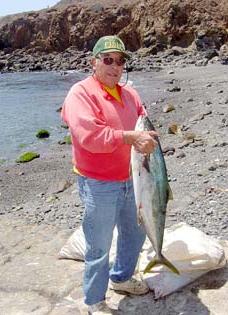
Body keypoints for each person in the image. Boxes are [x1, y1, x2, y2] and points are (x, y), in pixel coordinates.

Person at [61, 35, 158, 315]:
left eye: (120, 61)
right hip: (99, 184)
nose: (115, 66)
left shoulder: (131, 94)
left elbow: (143, 120)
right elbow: (90, 136)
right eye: (108, 60)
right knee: (99, 245)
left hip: (132, 178)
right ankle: (94, 301)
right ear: (94, 62)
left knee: (135, 232)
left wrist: (148, 139)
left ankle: (122, 278)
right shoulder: (80, 94)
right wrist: (132, 137)